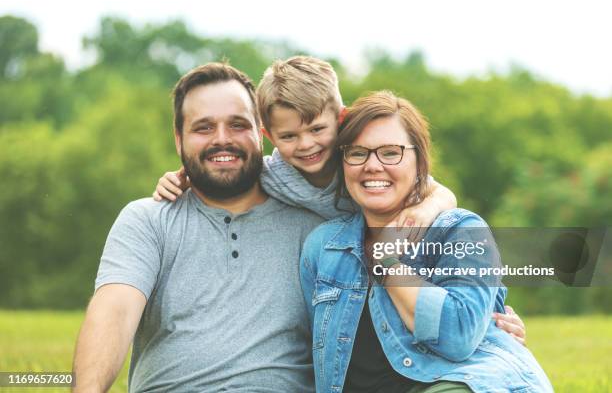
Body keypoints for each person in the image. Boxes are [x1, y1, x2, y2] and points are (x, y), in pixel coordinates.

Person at [154, 56, 528, 343]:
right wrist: (180, 178)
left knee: (470, 298)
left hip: (414, 259)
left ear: (341, 118)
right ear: (267, 135)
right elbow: (225, 173)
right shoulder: (271, 175)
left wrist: (421, 210)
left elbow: (442, 193)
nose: (307, 145)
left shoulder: (362, 165)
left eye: (318, 129)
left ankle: (495, 327)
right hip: (349, 272)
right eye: (289, 136)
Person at [72, 63, 325, 392]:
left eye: (237, 125)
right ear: (179, 140)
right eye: (203, 128)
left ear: (261, 133)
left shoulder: (314, 225)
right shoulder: (148, 220)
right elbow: (115, 311)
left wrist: (417, 205)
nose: (222, 139)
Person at [299, 91, 553, 392]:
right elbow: (311, 353)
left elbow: (456, 335)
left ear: (419, 162)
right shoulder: (324, 246)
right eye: (357, 153)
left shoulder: (461, 230)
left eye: (391, 152)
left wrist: (388, 263)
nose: (372, 165)